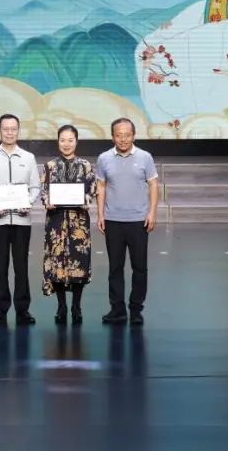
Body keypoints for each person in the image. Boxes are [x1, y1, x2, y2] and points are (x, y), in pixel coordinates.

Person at [0, 113, 40, 326]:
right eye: (6, 129)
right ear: (0, 131)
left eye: (13, 129)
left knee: (21, 267)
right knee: (0, 266)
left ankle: (23, 309)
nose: (10, 132)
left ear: (18, 131)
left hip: (22, 221)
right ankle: (1, 309)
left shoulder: (28, 158)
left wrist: (28, 202)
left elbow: (35, 187)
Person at [95, 118, 158, 326]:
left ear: (134, 135)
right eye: (119, 135)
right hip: (113, 220)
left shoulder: (145, 157)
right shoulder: (104, 158)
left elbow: (153, 185)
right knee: (115, 268)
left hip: (139, 221)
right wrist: (100, 214)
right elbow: (101, 186)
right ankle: (117, 310)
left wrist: (152, 213)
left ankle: (136, 309)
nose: (123, 139)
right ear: (112, 136)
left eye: (127, 135)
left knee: (140, 268)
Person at [41, 124, 96, 325]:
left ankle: (77, 306)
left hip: (78, 221)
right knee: (57, 261)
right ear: (58, 142)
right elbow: (44, 190)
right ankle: (61, 305)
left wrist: (87, 199)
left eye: (70, 140)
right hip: (56, 220)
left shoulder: (86, 165)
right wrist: (47, 200)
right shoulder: (49, 166)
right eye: (63, 140)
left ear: (76, 141)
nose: (66, 144)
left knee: (79, 262)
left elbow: (92, 190)